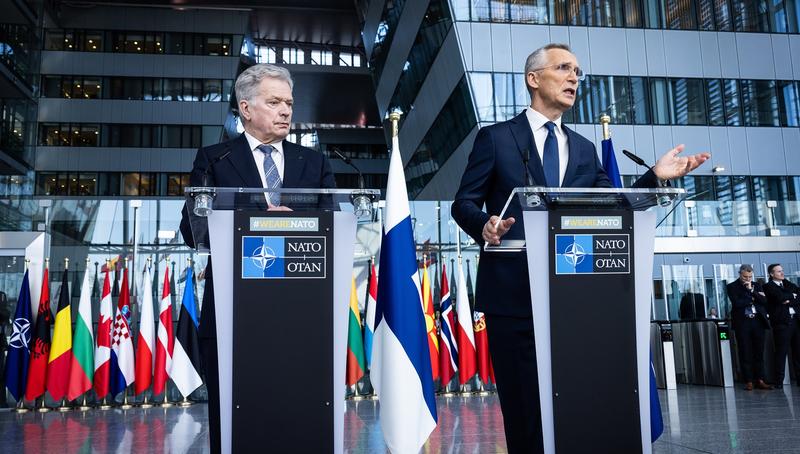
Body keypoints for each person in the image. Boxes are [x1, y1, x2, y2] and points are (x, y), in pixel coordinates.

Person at [451, 43, 710, 453]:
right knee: (526, 411)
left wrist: (653, 179)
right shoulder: (496, 138)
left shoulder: (586, 149)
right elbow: (463, 202)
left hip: (575, 300)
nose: (574, 77)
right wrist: (485, 224)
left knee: (574, 408)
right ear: (533, 79)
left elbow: (613, 207)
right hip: (514, 300)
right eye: (563, 68)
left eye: (577, 71)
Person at [179, 63, 336, 453]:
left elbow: (335, 225)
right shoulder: (215, 159)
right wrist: (257, 220)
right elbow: (191, 229)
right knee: (236, 426)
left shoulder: (314, 162)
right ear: (246, 108)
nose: (285, 111)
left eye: (289, 103)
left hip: (303, 314)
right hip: (236, 313)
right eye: (274, 102)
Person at [727, 264, 771, 390]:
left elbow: (764, 301)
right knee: (745, 351)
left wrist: (752, 291)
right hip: (743, 322)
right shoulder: (732, 286)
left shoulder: (756, 285)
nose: (748, 279)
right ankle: (748, 380)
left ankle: (760, 379)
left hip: (758, 321)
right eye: (745, 276)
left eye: (750, 276)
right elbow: (737, 303)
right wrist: (752, 296)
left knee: (759, 351)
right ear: (740, 274)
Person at [764, 263, 800, 389]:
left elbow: (798, 295)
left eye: (782, 270)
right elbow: (779, 297)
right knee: (781, 352)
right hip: (782, 323)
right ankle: (779, 381)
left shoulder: (788, 283)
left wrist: (789, 299)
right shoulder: (768, 286)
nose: (782, 273)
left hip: (796, 321)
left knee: (798, 351)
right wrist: (792, 296)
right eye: (778, 271)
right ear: (771, 274)